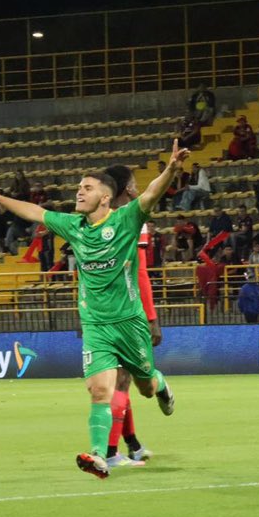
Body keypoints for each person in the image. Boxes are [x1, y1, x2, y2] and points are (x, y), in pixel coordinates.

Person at [0, 140, 188, 479]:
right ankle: (99, 456)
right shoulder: (73, 226)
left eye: (86, 188)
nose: (79, 192)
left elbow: (149, 195)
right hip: (96, 326)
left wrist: (171, 170)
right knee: (99, 390)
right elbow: (34, 212)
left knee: (145, 387)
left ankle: (161, 386)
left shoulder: (125, 221)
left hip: (129, 323)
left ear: (105, 197)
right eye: (78, 187)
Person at [102, 164, 165, 468]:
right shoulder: (132, 216)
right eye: (134, 183)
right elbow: (140, 272)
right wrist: (152, 317)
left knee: (120, 380)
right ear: (126, 189)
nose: (138, 188)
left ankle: (133, 445)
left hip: (98, 311)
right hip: (125, 313)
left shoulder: (94, 218)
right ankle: (112, 452)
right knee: (125, 381)